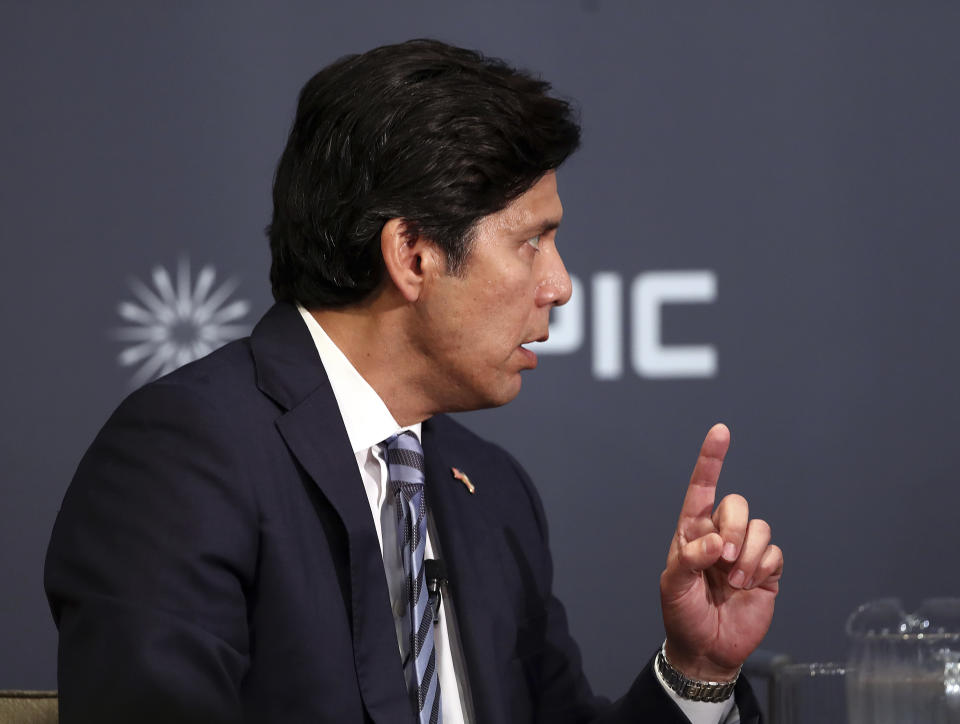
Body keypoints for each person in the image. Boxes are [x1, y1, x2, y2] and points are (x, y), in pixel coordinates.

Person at [45, 39, 782, 724]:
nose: (559, 285)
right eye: (532, 241)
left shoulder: (491, 492)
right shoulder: (187, 458)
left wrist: (696, 670)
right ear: (414, 254)